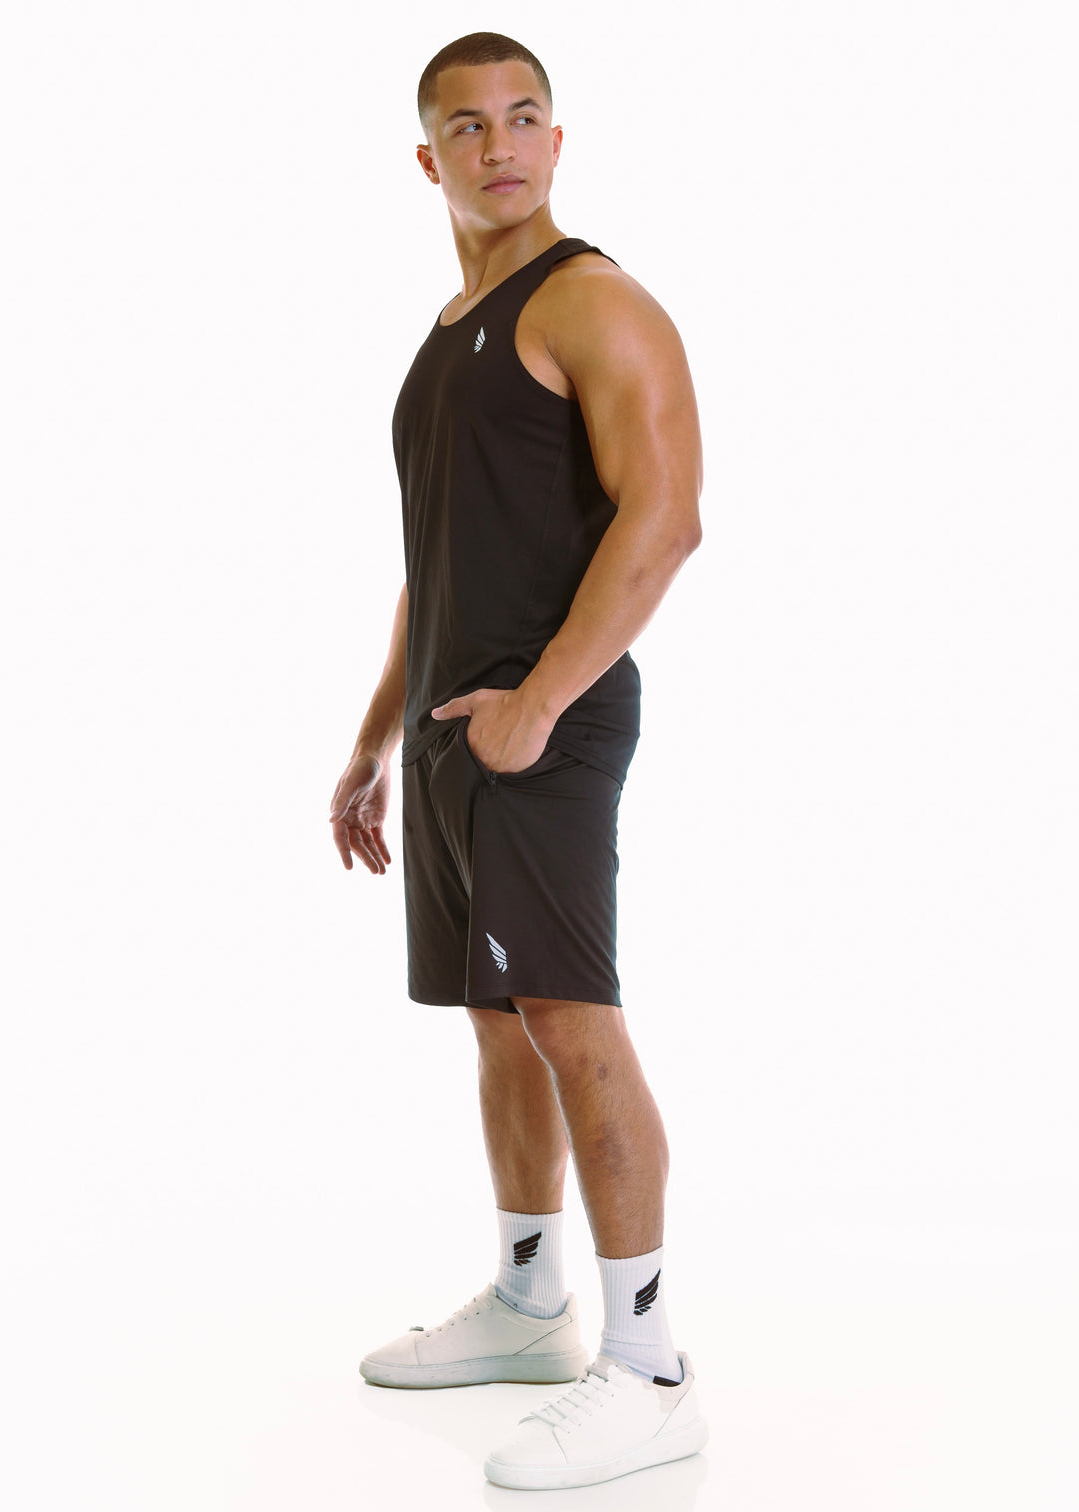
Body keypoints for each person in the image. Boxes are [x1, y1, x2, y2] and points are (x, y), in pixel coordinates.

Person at [328, 31, 706, 1491]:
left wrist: (540, 705)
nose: (500, 144)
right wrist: (374, 740)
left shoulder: (594, 301)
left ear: (559, 138)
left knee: (570, 1016)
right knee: (499, 1020)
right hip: (453, 734)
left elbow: (664, 521)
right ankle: (533, 1301)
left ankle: (651, 1369)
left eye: (524, 116)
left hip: (545, 722)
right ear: (428, 158)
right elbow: (432, 568)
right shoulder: (447, 336)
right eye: (469, 125)